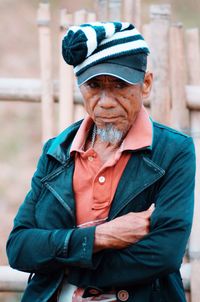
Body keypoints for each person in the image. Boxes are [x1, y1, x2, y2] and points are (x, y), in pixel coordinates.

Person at [7, 21, 196, 302]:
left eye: (119, 85)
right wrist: (101, 236)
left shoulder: (173, 151)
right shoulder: (57, 151)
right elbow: (20, 247)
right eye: (93, 86)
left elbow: (164, 254)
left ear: (145, 85)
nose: (105, 102)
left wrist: (63, 261)